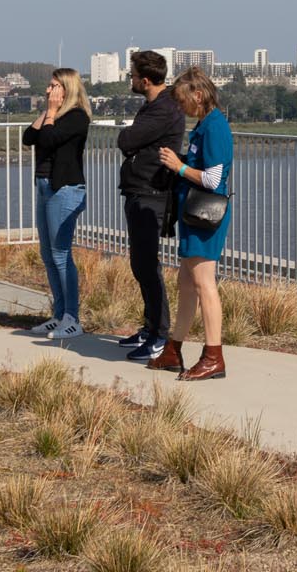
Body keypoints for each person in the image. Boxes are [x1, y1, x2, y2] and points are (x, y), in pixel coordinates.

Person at [148, 66, 234, 381]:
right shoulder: (204, 125)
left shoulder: (215, 128)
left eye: (184, 100)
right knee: (187, 282)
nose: (181, 107)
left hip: (204, 216)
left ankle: (214, 356)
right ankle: (174, 349)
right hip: (193, 215)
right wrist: (182, 163)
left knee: (203, 283)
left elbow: (213, 178)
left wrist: (179, 166)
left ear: (199, 95)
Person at [114, 50, 181, 361]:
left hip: (151, 194)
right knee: (140, 264)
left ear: (144, 79)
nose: (130, 80)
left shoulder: (163, 109)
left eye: (131, 76)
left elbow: (127, 141)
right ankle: (150, 326)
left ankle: (159, 335)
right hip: (141, 191)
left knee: (147, 265)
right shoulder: (155, 106)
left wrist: (129, 136)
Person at [24, 68, 90, 338]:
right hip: (44, 187)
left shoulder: (77, 117)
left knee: (61, 254)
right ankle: (59, 314)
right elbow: (29, 138)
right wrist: (47, 111)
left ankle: (72, 318)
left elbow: (49, 139)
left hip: (65, 190)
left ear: (67, 89)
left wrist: (51, 113)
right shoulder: (53, 115)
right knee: (48, 255)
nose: (48, 91)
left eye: (53, 86)